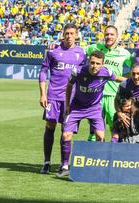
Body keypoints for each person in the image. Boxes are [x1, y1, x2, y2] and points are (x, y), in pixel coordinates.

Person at [57, 51, 126, 177]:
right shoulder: (77, 71)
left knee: (100, 136)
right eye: (92, 63)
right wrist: (67, 105)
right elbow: (69, 86)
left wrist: (135, 81)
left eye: (98, 63)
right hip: (76, 107)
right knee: (66, 135)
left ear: (102, 64)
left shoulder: (107, 72)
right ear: (89, 61)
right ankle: (65, 166)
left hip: (94, 108)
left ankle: (98, 165)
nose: (94, 66)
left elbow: (118, 79)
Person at [38, 24, 86, 174]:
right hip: (52, 98)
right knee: (50, 127)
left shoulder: (82, 53)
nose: (69, 36)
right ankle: (46, 162)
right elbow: (43, 72)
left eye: (72, 33)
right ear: (63, 34)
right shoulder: (53, 51)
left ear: (77, 35)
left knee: (67, 132)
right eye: (67, 33)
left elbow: (84, 76)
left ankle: (64, 165)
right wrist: (43, 94)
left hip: (71, 100)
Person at [85, 25, 133, 141]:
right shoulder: (94, 48)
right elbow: (77, 52)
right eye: (107, 34)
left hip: (114, 97)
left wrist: (121, 78)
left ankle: (113, 156)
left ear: (117, 36)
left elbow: (135, 70)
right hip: (96, 96)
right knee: (94, 130)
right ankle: (94, 156)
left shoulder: (125, 53)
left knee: (115, 129)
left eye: (112, 34)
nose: (109, 37)